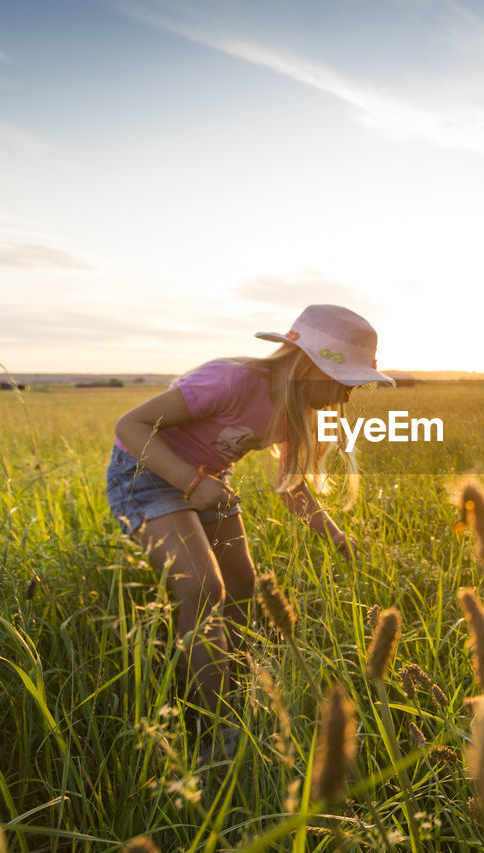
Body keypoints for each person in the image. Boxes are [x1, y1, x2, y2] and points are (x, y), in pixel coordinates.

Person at [106, 304, 394, 749]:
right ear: (313, 366)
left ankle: (235, 691)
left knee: (243, 587)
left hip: (209, 482)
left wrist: (334, 535)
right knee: (204, 590)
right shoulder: (232, 381)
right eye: (345, 383)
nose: (346, 398)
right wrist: (190, 482)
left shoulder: (294, 412)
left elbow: (291, 488)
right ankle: (217, 727)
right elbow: (131, 425)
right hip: (147, 475)